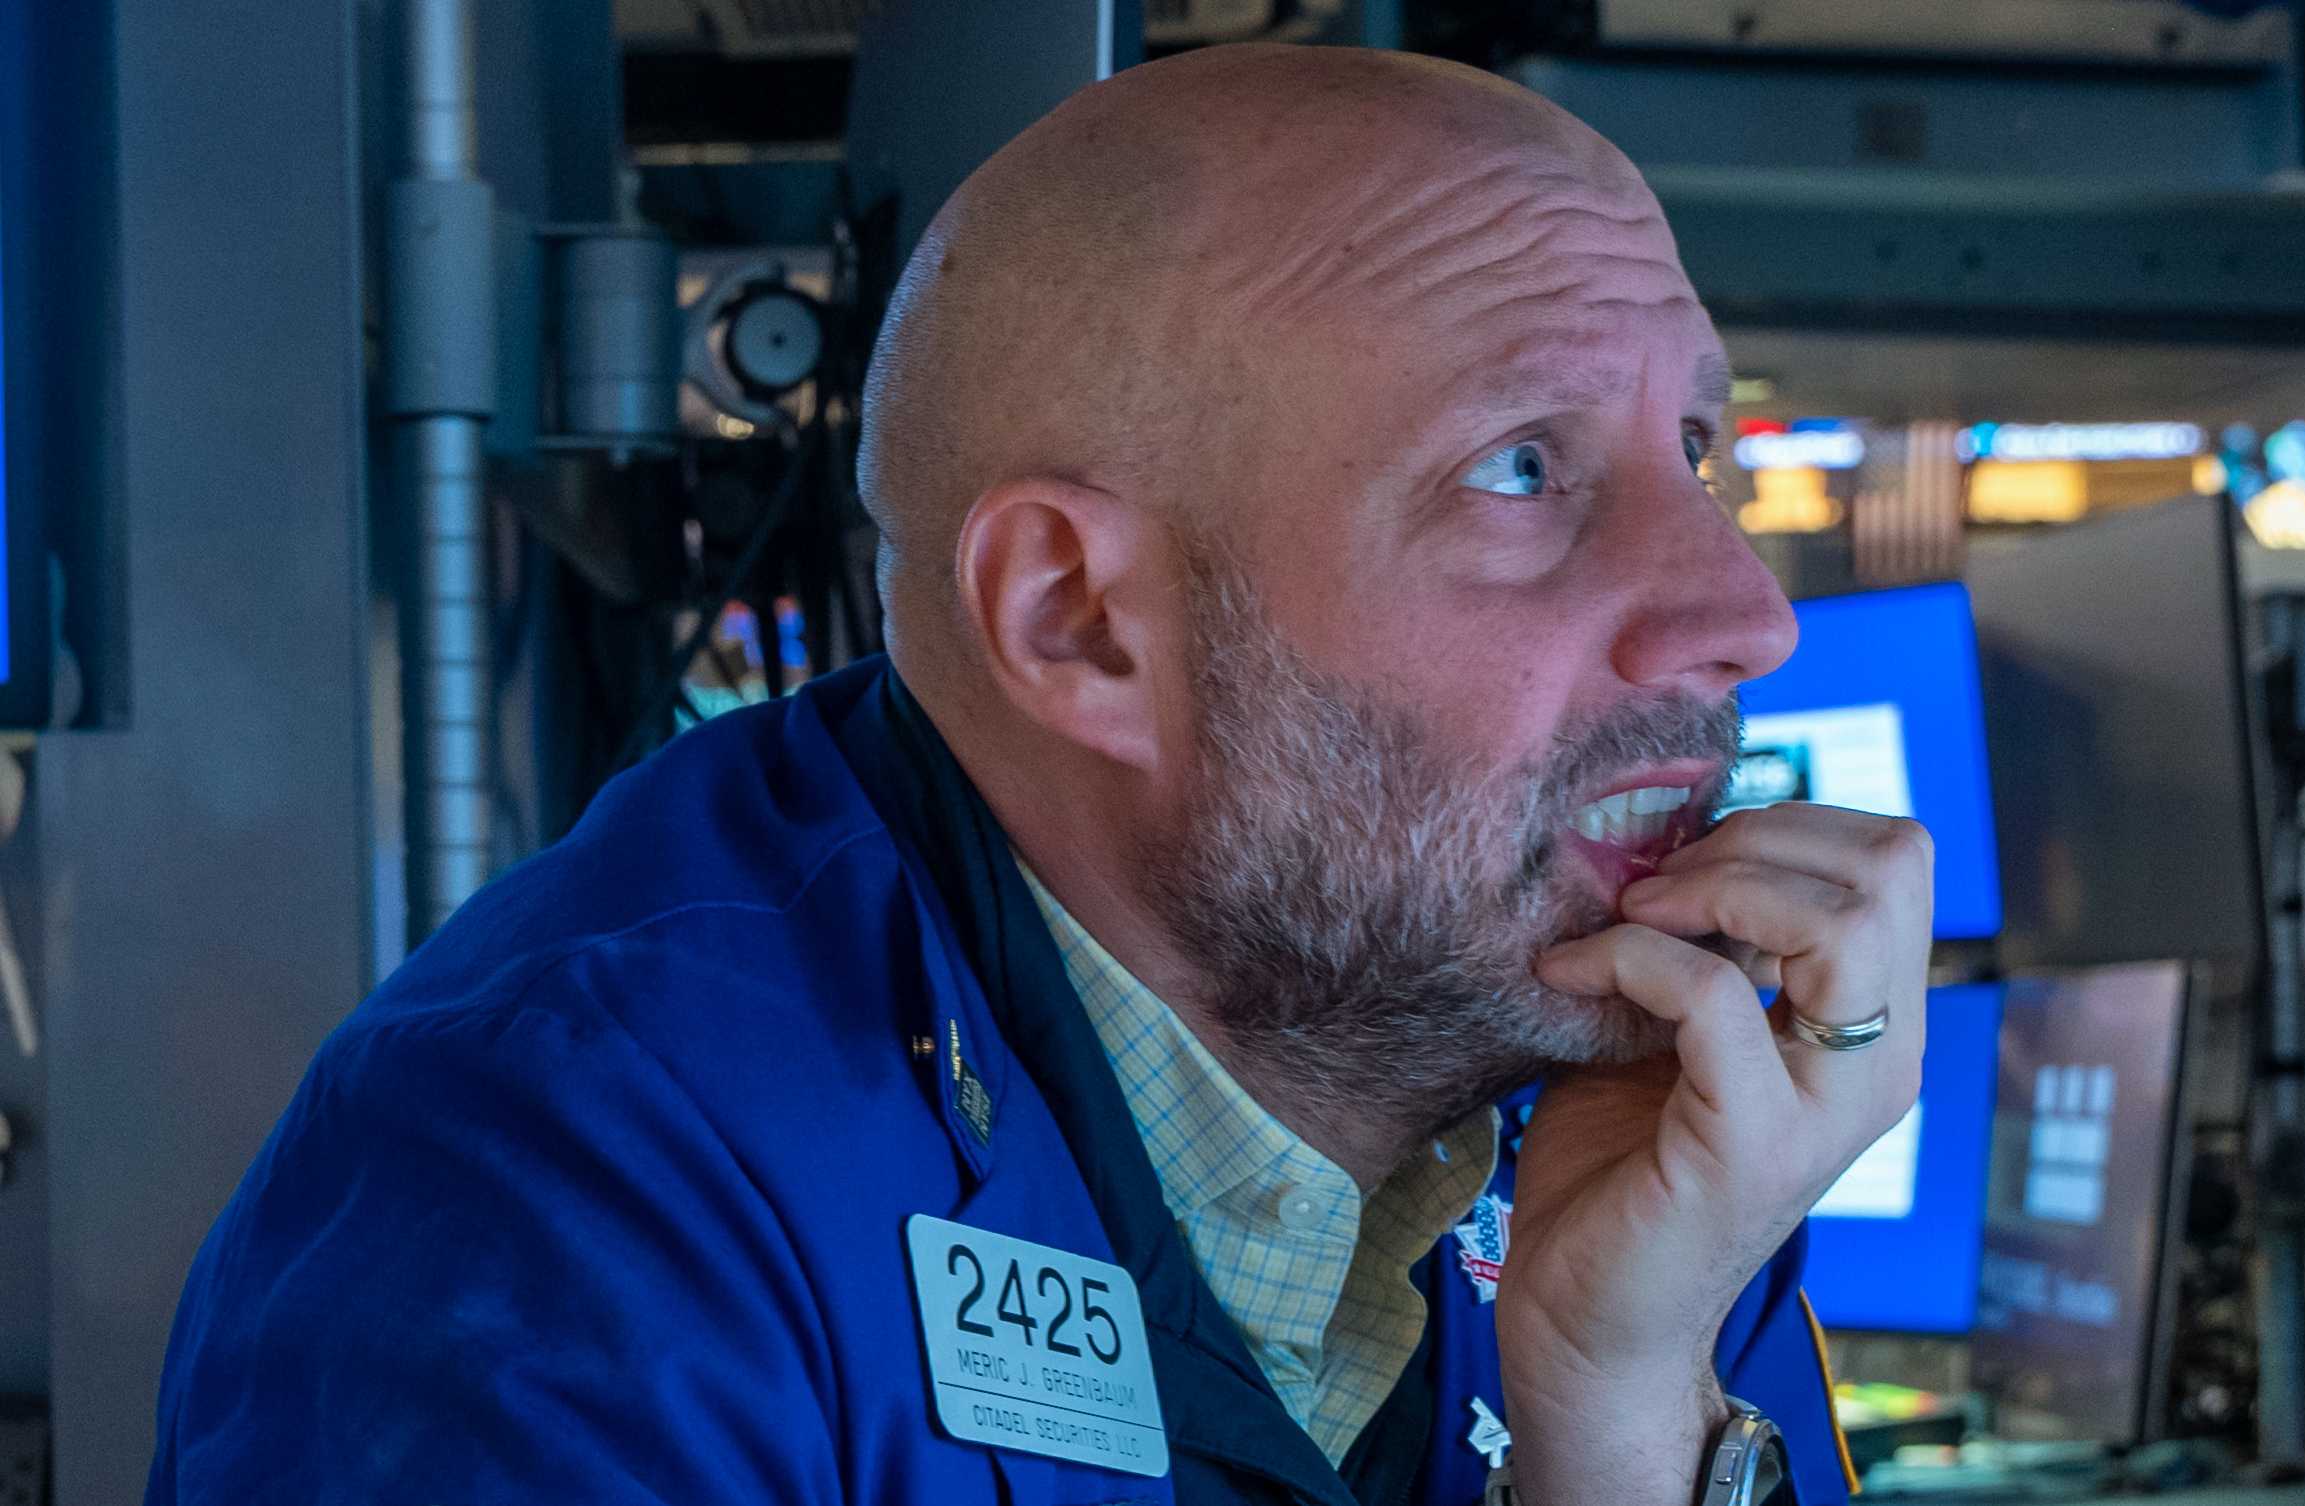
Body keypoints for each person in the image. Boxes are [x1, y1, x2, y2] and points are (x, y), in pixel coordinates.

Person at [148, 45, 1929, 1506]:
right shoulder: (557, 1206)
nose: (1743, 611)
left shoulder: (1593, 1080)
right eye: (1523, 470)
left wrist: (1616, 1415)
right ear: (1077, 621)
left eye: (1697, 446)